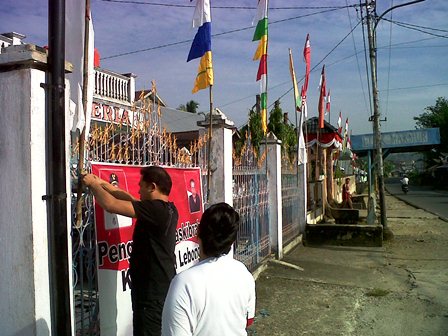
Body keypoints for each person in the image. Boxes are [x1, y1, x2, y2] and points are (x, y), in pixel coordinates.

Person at [83, 166, 179, 336]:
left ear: (152, 187)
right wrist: (101, 182)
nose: (138, 189)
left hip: (151, 291)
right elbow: (128, 198)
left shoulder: (155, 210)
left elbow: (111, 204)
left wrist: (92, 184)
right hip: (160, 285)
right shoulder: (167, 208)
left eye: (141, 185)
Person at [161, 202, 256, 336]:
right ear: (232, 240)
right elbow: (247, 321)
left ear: (198, 232)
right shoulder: (244, 274)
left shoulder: (184, 283)